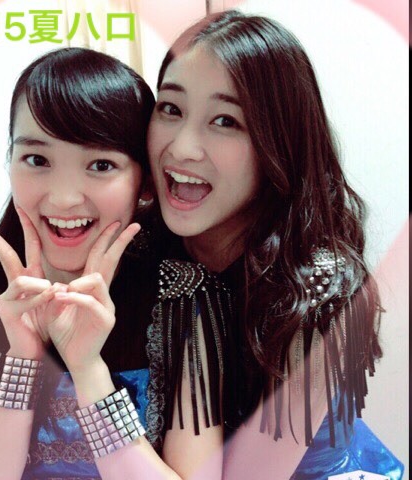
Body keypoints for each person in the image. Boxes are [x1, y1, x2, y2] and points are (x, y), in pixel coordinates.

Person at [142, 9, 404, 480]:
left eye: (225, 120)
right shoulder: (143, 248)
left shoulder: (321, 295)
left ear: (277, 142)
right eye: (171, 109)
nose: (181, 148)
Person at [0, 47, 158, 479]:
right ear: (10, 161)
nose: (64, 198)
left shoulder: (181, 299)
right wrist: (23, 357)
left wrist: (88, 369)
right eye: (37, 160)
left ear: (144, 183)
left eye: (101, 164)